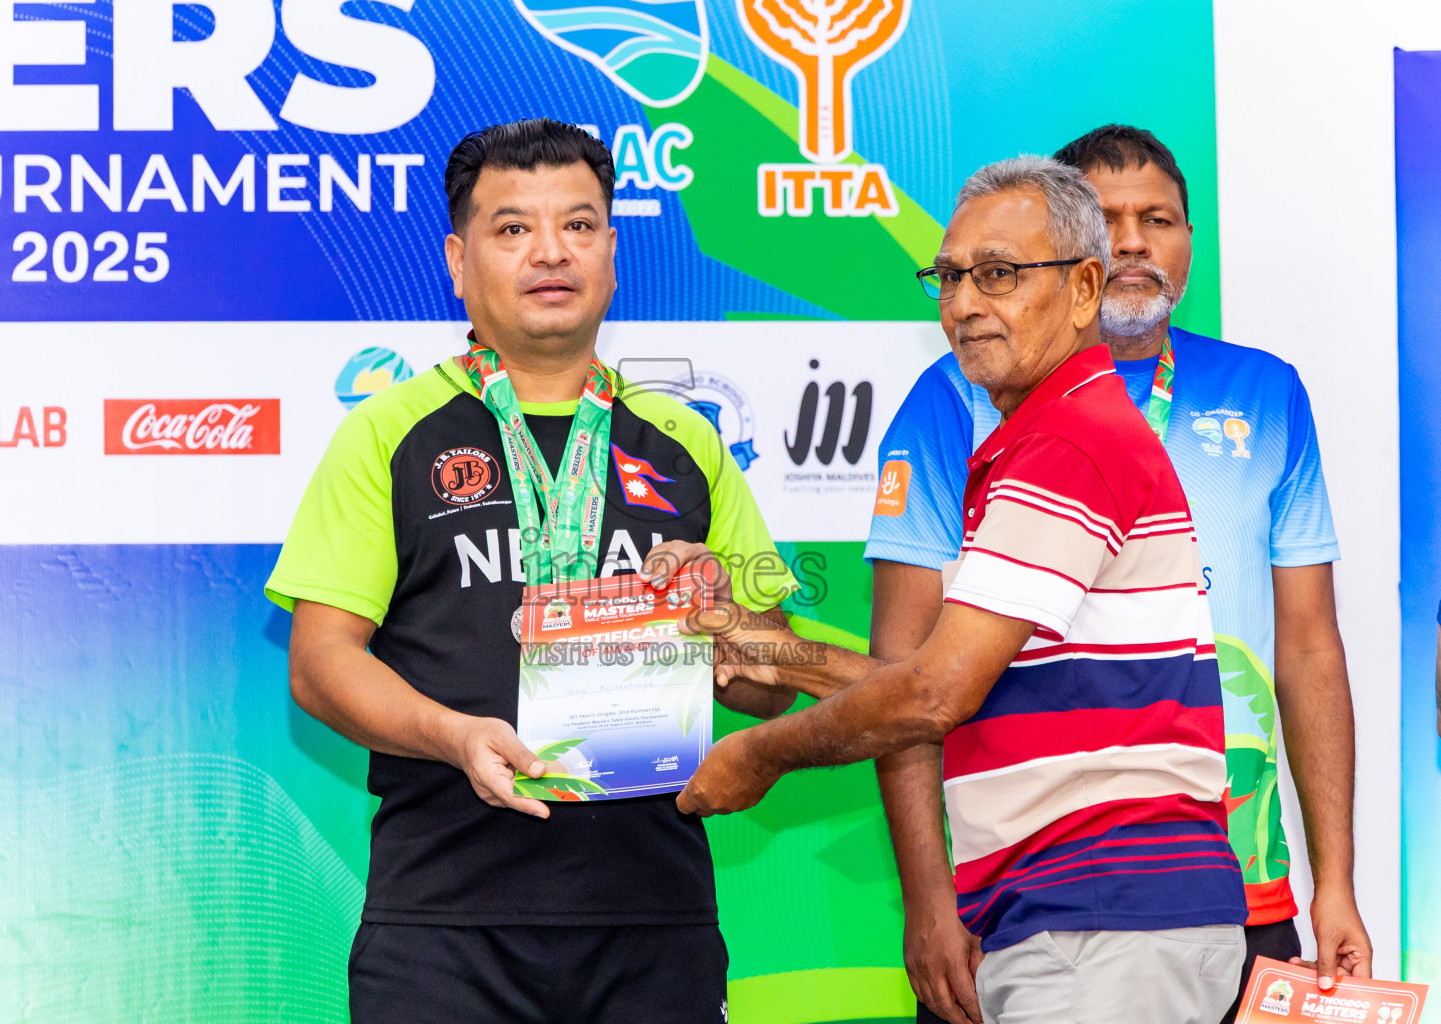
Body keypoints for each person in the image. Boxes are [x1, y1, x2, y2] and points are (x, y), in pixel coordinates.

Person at [662, 156, 1251, 1024]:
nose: (965, 304)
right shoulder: (1039, 439)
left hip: (1106, 919)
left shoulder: (1071, 444)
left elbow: (934, 694)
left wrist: (760, 753)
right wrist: (768, 647)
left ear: (1085, 289)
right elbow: (964, 685)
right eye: (949, 277)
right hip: (1076, 920)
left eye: (1000, 276)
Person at [265, 118, 796, 1024]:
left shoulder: (688, 442)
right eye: (512, 229)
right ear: (458, 260)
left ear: (613, 252)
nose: (551, 252)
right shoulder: (387, 432)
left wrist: (725, 624)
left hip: (651, 918)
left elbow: (773, 683)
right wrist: (452, 735)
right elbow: (320, 663)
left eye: (579, 225)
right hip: (446, 924)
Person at [865, 126, 1369, 1024]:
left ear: (1188, 240)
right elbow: (906, 669)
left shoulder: (1267, 392)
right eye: (1106, 218)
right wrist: (929, 902)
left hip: (1238, 890)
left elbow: (1308, 652)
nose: (1134, 240)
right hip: (1039, 899)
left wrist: (1334, 883)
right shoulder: (953, 397)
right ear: (1069, 263)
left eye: (1160, 218)